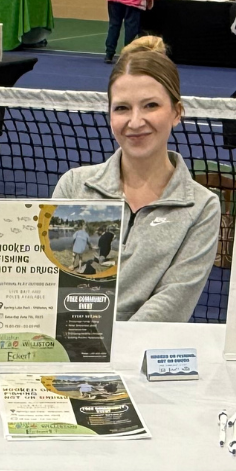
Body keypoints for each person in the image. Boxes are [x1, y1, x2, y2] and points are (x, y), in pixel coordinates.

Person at [51, 37, 219, 322]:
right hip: (68, 350)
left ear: (177, 113)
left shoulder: (202, 207)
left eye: (151, 105)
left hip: (139, 359)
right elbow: (46, 283)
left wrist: (104, 349)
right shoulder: (73, 185)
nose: (136, 121)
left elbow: (172, 304)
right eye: (122, 108)